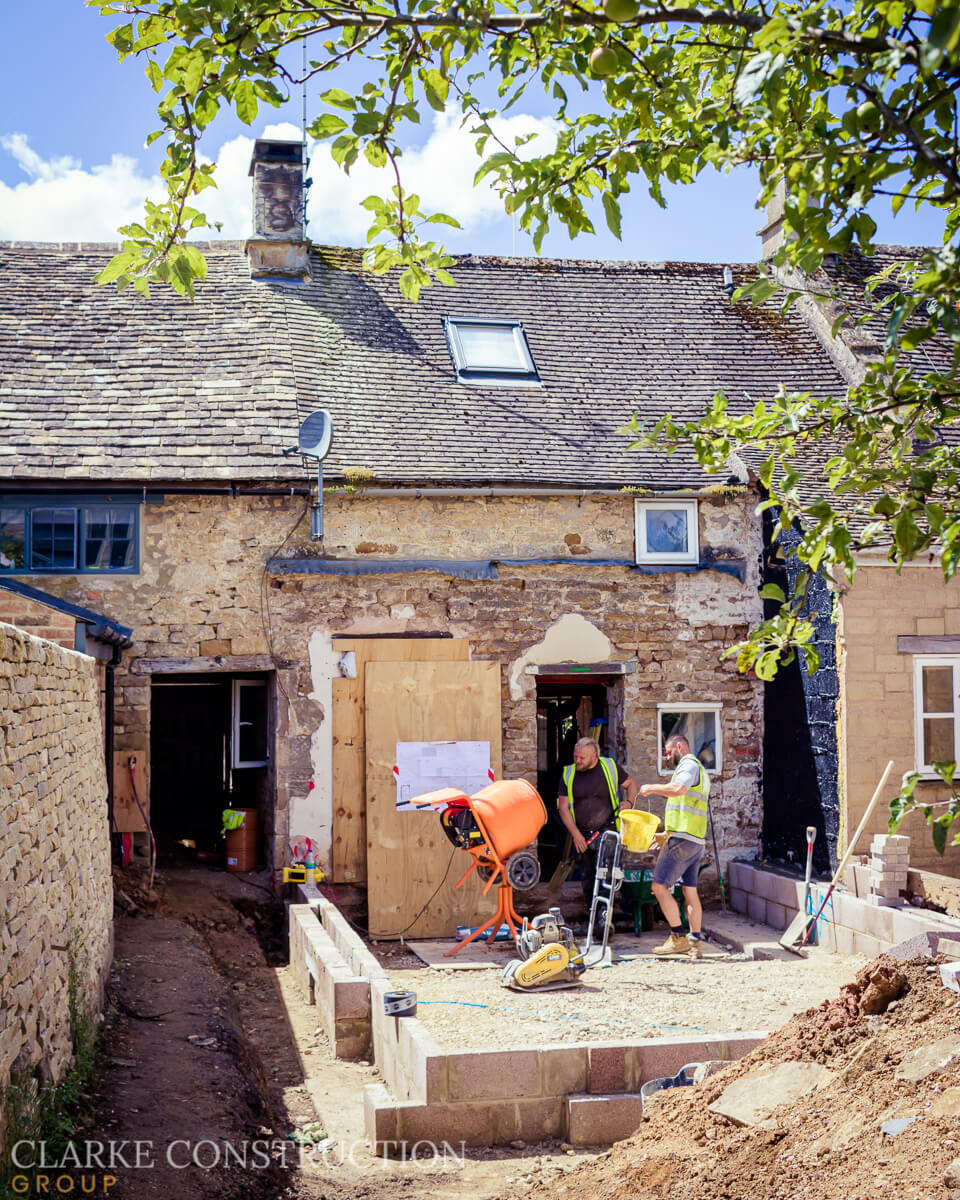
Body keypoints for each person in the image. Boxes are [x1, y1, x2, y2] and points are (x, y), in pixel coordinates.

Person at [639, 732, 711, 959]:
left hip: (682, 839)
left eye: (670, 752)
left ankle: (677, 937)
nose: (669, 758)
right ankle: (695, 942)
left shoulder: (688, 765)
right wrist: (664, 834)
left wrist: (651, 787)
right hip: (695, 839)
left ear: (680, 746)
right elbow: (685, 804)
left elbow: (679, 790)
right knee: (690, 892)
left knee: (659, 887)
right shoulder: (700, 770)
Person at [557, 737, 638, 918]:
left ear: (594, 756)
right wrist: (576, 835)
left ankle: (604, 915)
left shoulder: (609, 767)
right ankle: (593, 912)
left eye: (581, 758)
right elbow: (563, 808)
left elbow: (631, 784)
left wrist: (629, 802)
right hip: (583, 835)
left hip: (607, 830)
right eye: (575, 756)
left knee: (605, 874)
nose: (577, 761)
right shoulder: (568, 774)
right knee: (587, 876)